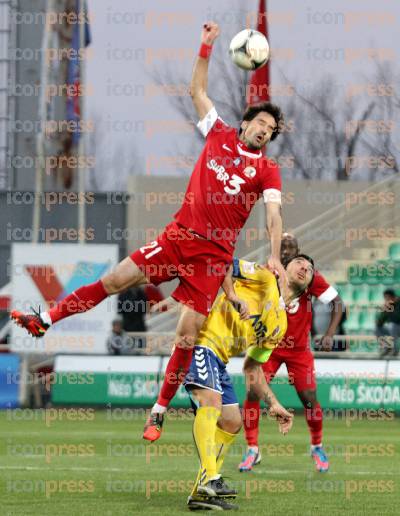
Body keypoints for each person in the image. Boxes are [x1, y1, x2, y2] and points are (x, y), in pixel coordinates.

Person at [10, 21, 286, 442]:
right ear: (246, 122)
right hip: (178, 238)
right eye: (261, 122)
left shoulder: (266, 169)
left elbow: (273, 215)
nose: (265, 130)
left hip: (212, 260)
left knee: (187, 336)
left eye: (272, 129)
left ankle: (157, 411)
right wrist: (205, 45)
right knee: (114, 279)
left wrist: (274, 253)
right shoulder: (218, 134)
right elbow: (196, 92)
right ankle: (45, 320)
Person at [184, 255, 316, 510]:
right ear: (283, 266)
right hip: (200, 342)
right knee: (211, 402)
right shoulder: (263, 276)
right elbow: (220, 262)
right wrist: (231, 294)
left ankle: (200, 494)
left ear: (308, 286)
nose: (304, 267)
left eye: (309, 268)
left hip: (219, 360)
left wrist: (274, 403)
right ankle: (211, 479)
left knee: (233, 421)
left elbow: (252, 368)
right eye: (299, 262)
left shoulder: (280, 325)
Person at [239, 233, 344, 473]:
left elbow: (337, 302)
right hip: (269, 346)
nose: (286, 250)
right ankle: (252, 449)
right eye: (282, 246)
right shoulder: (268, 273)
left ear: (297, 251)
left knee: (309, 399)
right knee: (253, 391)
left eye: (291, 247)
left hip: (298, 350)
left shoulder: (307, 277)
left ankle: (316, 445)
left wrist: (329, 334)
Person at [376, 289, 400, 357]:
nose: (386, 300)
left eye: (387, 298)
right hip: (394, 329)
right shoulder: (389, 305)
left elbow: (397, 318)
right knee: (378, 329)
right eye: (385, 298)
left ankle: (395, 350)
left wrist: (389, 308)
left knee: (391, 325)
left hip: (397, 327)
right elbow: (380, 322)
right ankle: (387, 347)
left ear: (393, 297)